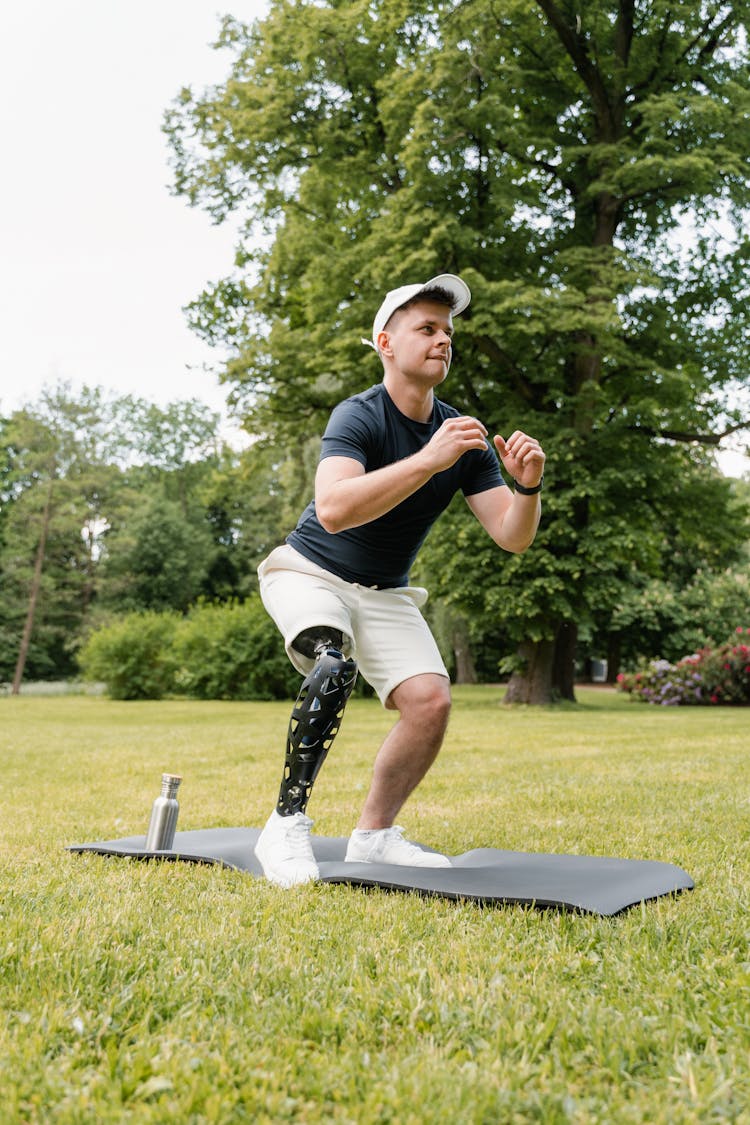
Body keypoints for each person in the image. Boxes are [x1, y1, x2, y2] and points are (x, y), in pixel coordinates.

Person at [254, 273, 545, 887]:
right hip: (311, 572)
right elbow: (333, 508)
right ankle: (283, 826)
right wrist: (426, 460)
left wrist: (527, 486)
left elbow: (512, 536)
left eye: (447, 332)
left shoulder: (461, 434)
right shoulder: (358, 415)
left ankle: (375, 837)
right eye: (427, 329)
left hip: (383, 592)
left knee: (430, 702)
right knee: (331, 666)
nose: (443, 340)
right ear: (386, 342)